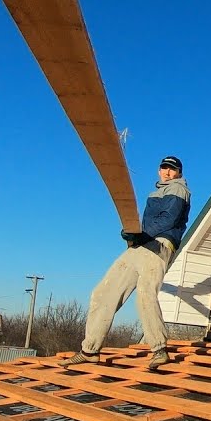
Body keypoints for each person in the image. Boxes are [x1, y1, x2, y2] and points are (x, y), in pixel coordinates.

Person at [61, 155, 191, 370]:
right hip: (140, 246)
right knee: (102, 293)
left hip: (158, 245)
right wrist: (131, 234)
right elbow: (146, 225)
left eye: (172, 169)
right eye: (164, 168)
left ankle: (159, 349)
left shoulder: (179, 189)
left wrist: (143, 234)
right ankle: (90, 350)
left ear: (179, 173)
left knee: (145, 294)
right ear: (159, 171)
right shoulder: (154, 194)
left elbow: (169, 219)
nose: (167, 172)